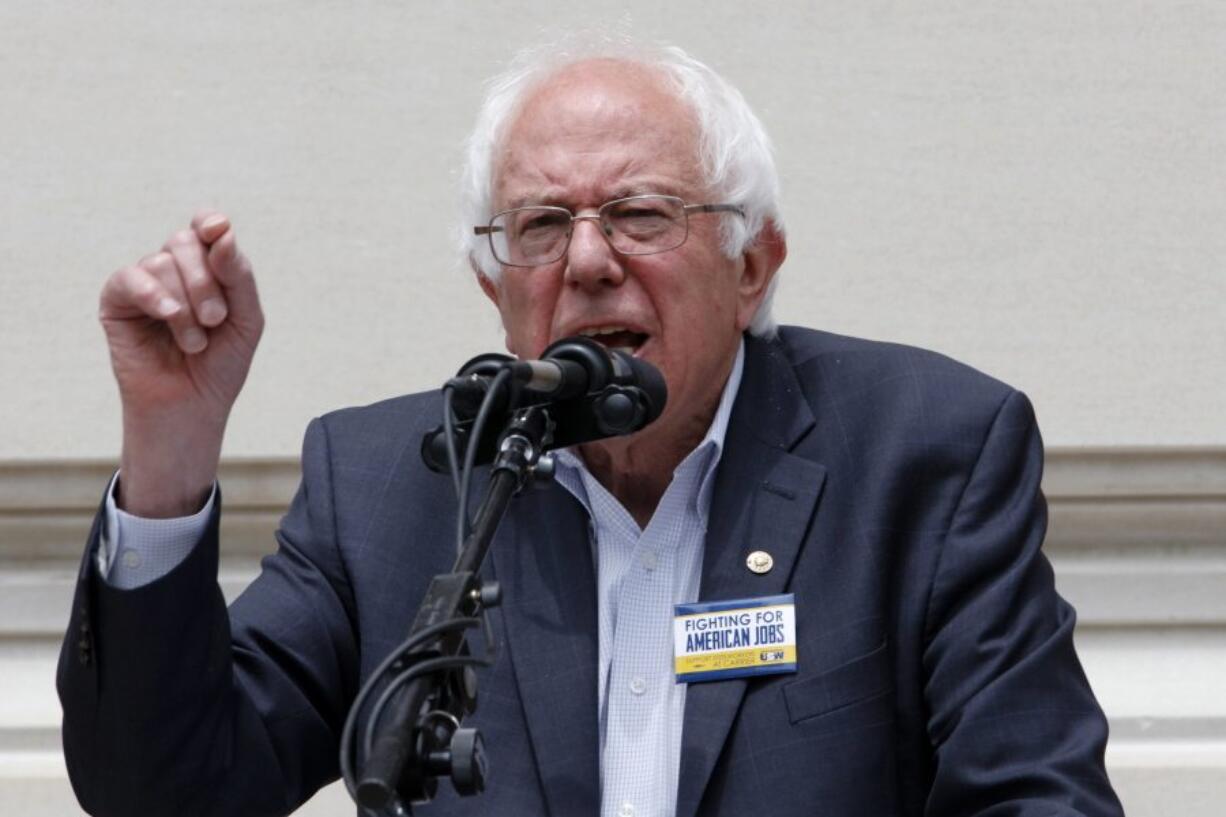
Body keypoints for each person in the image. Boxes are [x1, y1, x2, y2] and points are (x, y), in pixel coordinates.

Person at [58, 39, 1124, 817]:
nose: (586, 261)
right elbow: (166, 790)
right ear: (493, 284)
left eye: (641, 214)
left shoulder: (922, 456)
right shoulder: (393, 483)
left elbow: (1037, 799)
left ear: (751, 266)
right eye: (538, 226)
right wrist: (169, 451)